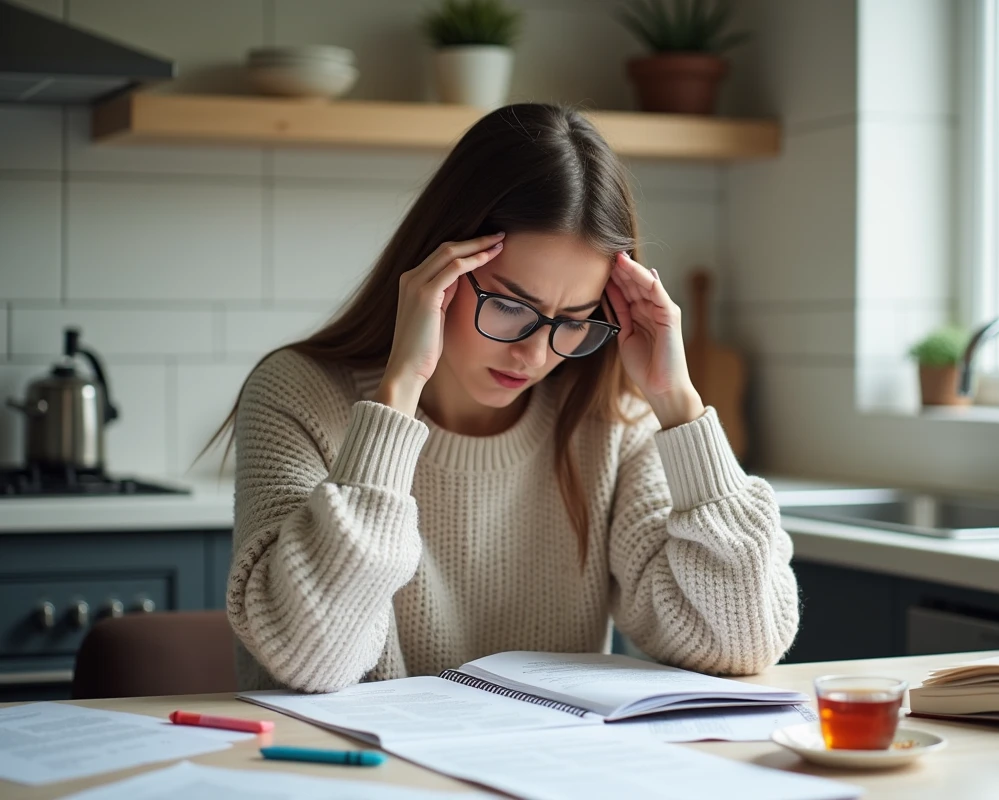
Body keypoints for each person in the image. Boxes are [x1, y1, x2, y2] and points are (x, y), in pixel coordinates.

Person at [218, 103, 800, 693]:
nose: (536, 355)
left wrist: (677, 403)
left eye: (574, 320)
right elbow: (308, 658)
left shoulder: (609, 425)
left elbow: (743, 644)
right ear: (437, 268)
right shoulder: (296, 393)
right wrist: (396, 401)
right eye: (511, 306)